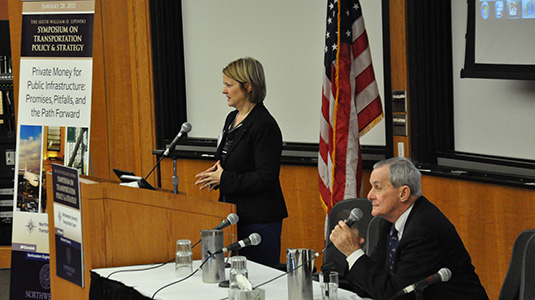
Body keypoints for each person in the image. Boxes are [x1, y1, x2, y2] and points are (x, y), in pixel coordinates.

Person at [329, 157, 489, 300]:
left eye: (377, 188)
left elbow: (396, 295)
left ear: (403, 193)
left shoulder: (423, 230)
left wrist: (353, 252)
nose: (370, 195)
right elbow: (373, 285)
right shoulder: (388, 222)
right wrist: (354, 256)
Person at [195, 57, 288, 267]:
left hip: (258, 220)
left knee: (258, 281)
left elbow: (266, 178)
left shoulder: (265, 125)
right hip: (232, 214)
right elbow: (232, 160)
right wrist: (216, 175)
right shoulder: (232, 119)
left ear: (248, 87)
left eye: (229, 85)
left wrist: (225, 178)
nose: (223, 90)